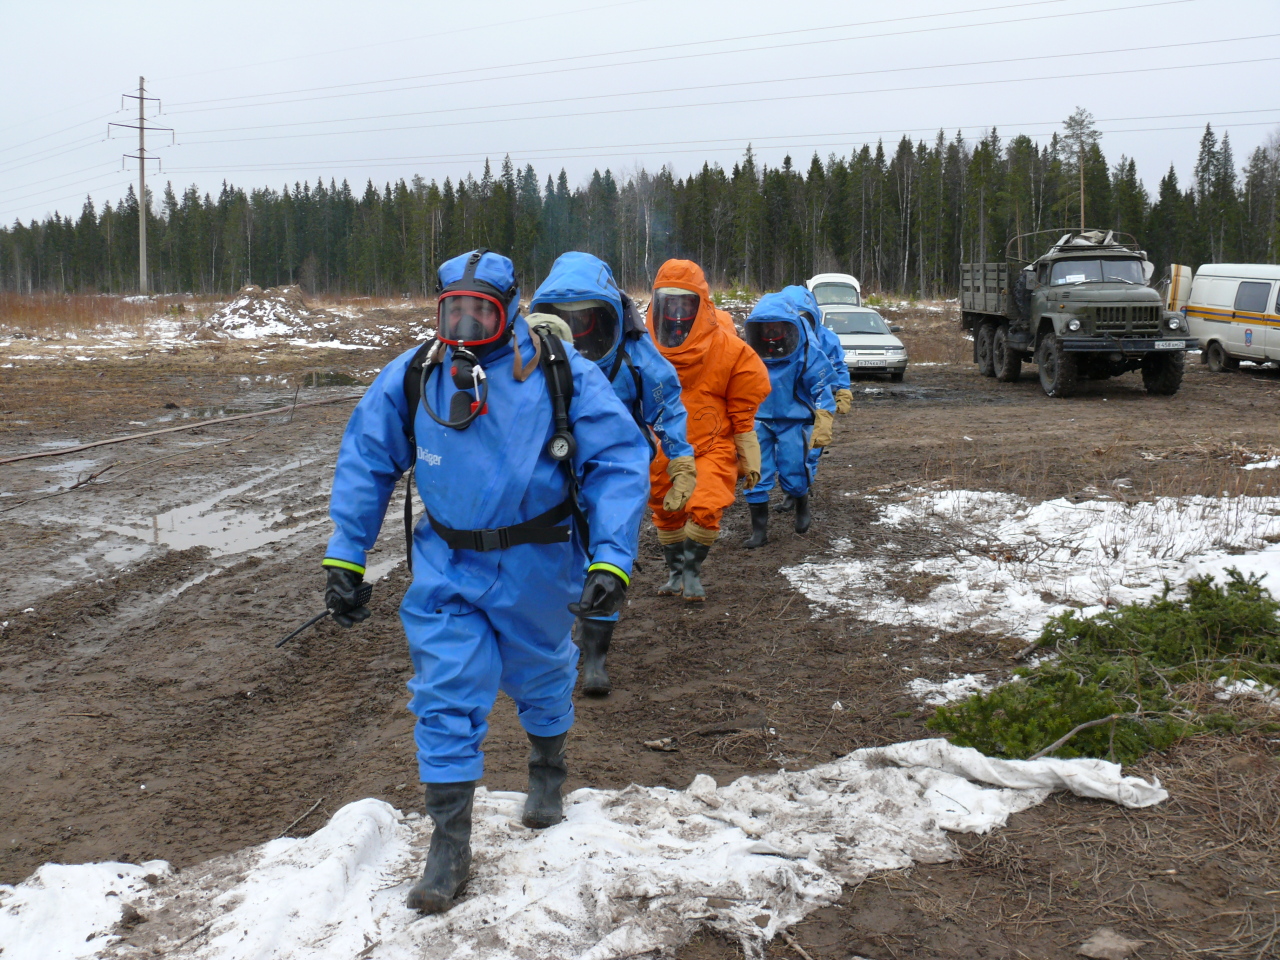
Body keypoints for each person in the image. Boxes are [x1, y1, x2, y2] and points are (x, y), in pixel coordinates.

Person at [320, 249, 651, 915]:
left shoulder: (562, 375)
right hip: (447, 563)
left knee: (541, 675)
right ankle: (449, 845)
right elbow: (367, 458)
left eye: (482, 313)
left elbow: (618, 461)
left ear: (512, 309)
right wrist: (345, 556)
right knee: (445, 690)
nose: (466, 326)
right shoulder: (417, 376)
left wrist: (611, 560)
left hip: (540, 560)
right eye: (454, 313)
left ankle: (547, 771)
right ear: (439, 309)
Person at [529, 251, 695, 696]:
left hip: (616, 469)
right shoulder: (531, 351)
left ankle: (595, 655)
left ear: (609, 316)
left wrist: (680, 460)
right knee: (558, 556)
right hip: (554, 464)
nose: (576, 329)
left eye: (587, 318)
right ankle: (557, 641)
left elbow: (668, 406)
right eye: (564, 318)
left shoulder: (635, 353)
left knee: (609, 551)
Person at [645, 259, 770, 600]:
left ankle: (692, 571)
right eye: (669, 303)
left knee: (706, 503)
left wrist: (749, 456)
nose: (677, 312)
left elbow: (744, 407)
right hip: (663, 442)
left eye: (685, 302)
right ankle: (674, 574)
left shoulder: (727, 349)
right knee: (665, 506)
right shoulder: (642, 345)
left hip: (713, 442)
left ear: (700, 302)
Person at [741, 293, 836, 546]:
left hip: (794, 420)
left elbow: (821, 384)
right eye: (766, 328)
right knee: (755, 472)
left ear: (788, 327)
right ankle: (759, 531)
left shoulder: (805, 349)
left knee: (794, 467)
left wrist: (824, 417)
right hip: (758, 418)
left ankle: (801, 504)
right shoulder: (748, 352)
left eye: (776, 327)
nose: (771, 333)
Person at [777, 285, 853, 511]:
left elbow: (838, 365)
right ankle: (792, 491)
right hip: (787, 402)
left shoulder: (826, 338)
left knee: (811, 448)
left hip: (817, 400)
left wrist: (842, 390)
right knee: (784, 451)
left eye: (805, 317)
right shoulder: (779, 336)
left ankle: (801, 491)